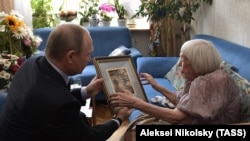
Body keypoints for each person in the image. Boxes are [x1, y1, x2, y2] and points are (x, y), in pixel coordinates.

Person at [0, 23, 132, 141]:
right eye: (88, 54)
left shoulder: (33, 63)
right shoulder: (58, 103)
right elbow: (88, 137)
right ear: (70, 56)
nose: (90, 59)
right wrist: (118, 119)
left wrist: (87, 91)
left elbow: (55, 96)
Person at [109, 39, 240, 124]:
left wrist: (135, 102)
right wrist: (156, 86)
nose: (180, 68)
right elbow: (183, 101)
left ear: (197, 64)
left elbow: (177, 117)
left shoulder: (212, 82)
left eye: (183, 62)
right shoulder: (197, 77)